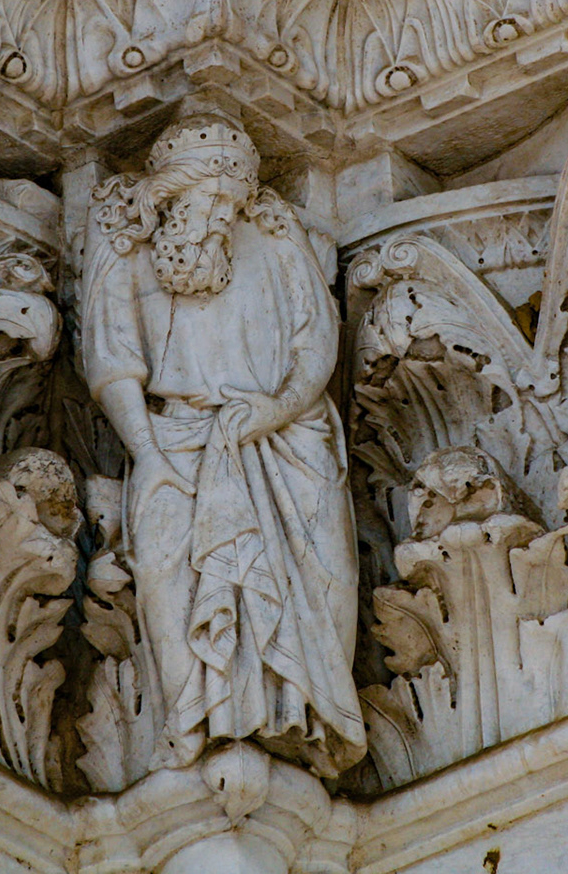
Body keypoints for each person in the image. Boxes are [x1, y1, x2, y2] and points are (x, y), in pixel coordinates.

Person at [81, 113, 365, 777]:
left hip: (286, 438)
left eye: (231, 205)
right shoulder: (125, 244)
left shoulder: (272, 234)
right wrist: (149, 455)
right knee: (164, 578)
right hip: (171, 441)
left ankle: (299, 714)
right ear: (173, 196)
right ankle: (194, 722)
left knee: (325, 575)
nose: (218, 219)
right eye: (209, 202)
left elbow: (315, 341)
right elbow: (112, 363)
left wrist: (277, 408)